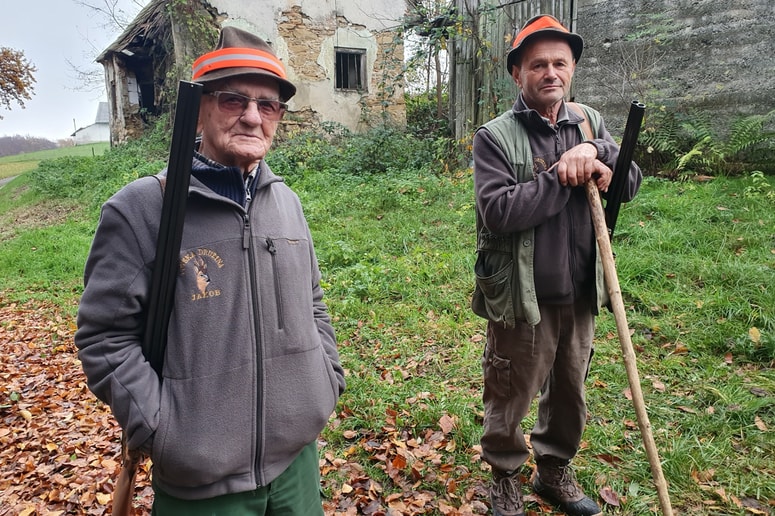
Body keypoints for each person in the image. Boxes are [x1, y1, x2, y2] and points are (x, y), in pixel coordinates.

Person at [75, 26, 345, 514]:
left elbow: (312, 302)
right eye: (232, 100)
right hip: (201, 484)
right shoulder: (142, 209)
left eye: (268, 105)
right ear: (199, 108)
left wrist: (325, 381)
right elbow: (104, 338)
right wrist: (163, 428)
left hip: (297, 466)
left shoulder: (286, 202)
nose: (252, 116)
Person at [471, 14, 642, 516]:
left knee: (570, 389)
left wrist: (596, 149)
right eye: (538, 64)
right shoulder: (495, 137)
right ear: (517, 73)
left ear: (572, 69)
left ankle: (553, 470)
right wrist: (561, 175)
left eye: (560, 63)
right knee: (511, 390)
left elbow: (628, 182)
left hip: (583, 290)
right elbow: (498, 212)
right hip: (524, 295)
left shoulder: (589, 121)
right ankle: (504, 474)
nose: (551, 73)